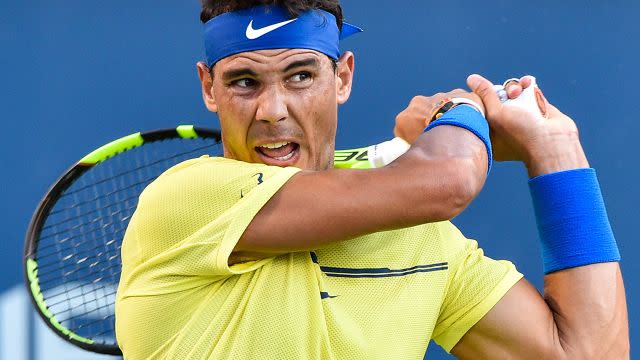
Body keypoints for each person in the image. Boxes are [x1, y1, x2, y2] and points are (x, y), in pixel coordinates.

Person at [115, 1, 629, 359]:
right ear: (209, 87)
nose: (273, 111)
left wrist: (556, 149)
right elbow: (451, 177)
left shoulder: (417, 239)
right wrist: (459, 109)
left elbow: (586, 353)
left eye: (300, 76)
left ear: (342, 77)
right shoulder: (185, 201)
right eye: (245, 82)